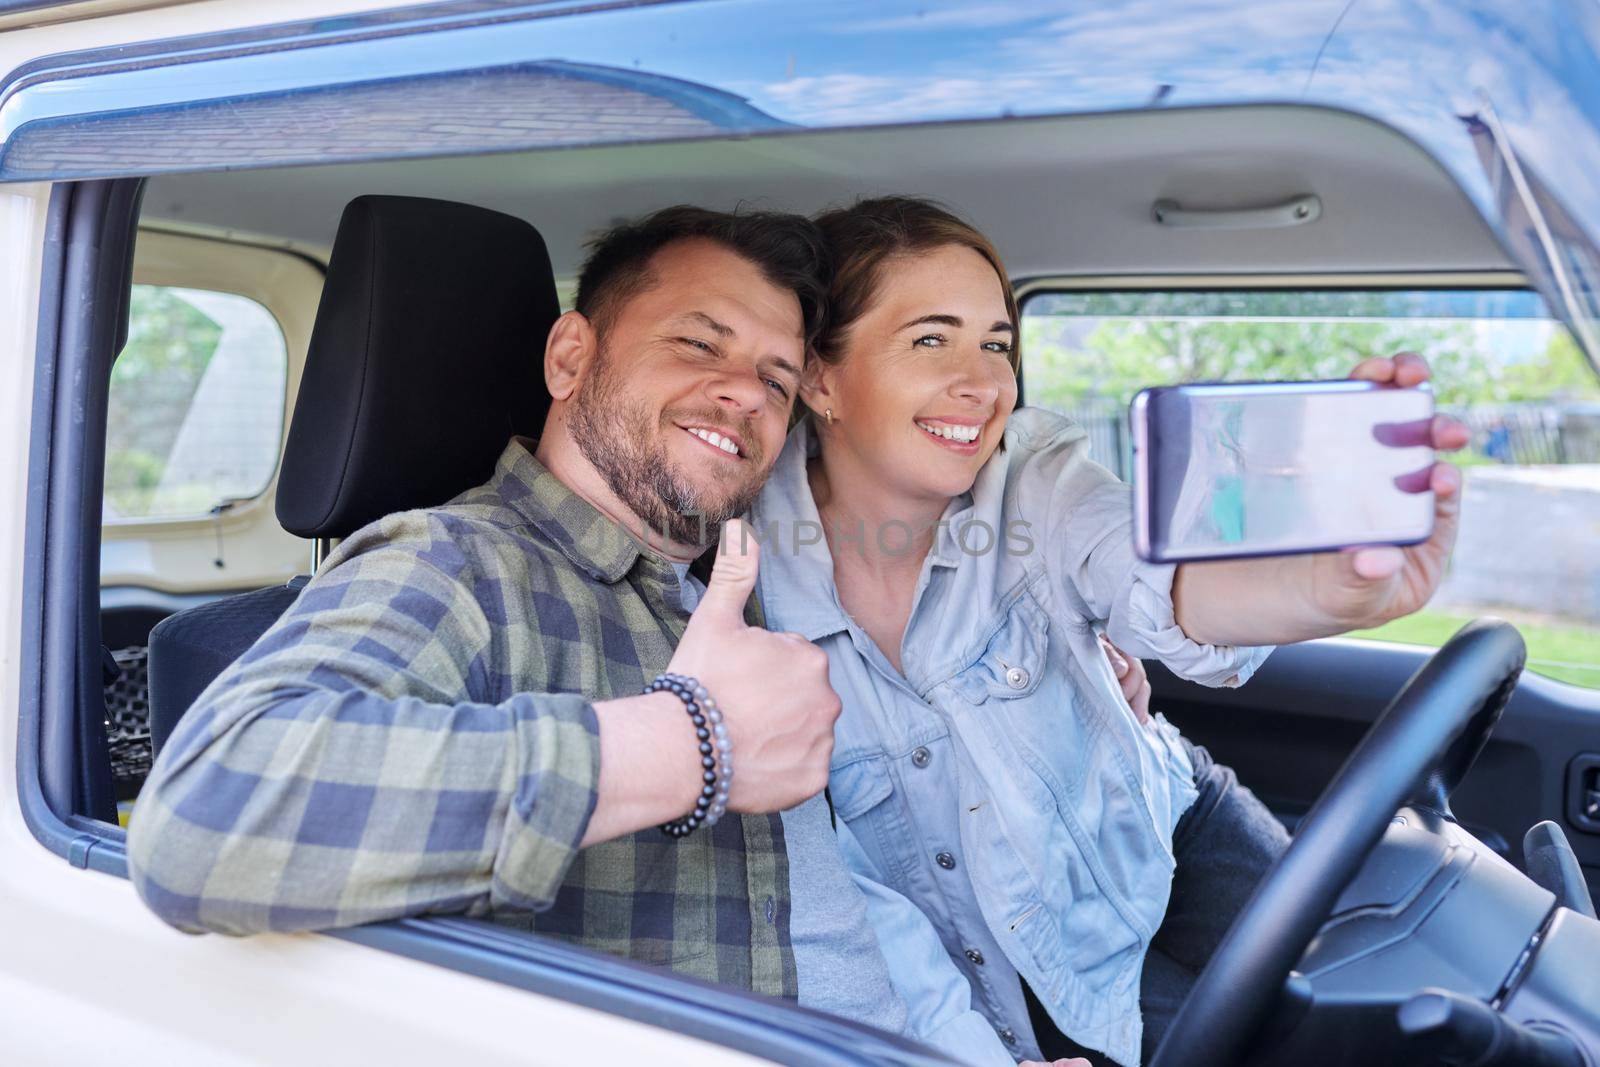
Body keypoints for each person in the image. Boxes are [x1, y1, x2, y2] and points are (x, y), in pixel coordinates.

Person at [126, 206, 947, 1042]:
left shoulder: (742, 585)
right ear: (569, 357)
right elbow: (206, 815)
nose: (745, 392)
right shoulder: (456, 564)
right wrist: (686, 743)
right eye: (698, 344)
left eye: (777, 381)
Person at [746, 196, 1471, 1066]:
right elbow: (850, 904)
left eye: (997, 343)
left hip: (1170, 819)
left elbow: (1161, 579)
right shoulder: (746, 589)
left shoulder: (1036, 474)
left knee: (1384, 1009)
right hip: (1035, 959)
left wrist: (1323, 588)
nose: (984, 383)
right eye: (930, 340)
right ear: (821, 378)